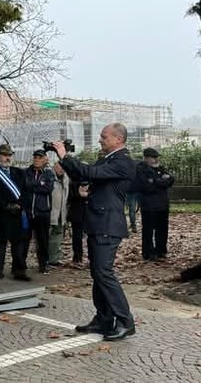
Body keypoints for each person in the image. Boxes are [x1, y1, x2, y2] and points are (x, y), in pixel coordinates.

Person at [53, 122, 137, 341]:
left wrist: (64, 155)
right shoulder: (109, 160)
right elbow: (86, 176)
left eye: (104, 136)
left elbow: (89, 172)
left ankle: (125, 321)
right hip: (99, 223)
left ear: (118, 139)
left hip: (108, 225)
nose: (100, 139)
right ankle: (104, 319)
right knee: (98, 273)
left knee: (104, 273)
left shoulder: (123, 162)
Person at [0, 145, 28, 280]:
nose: (7, 158)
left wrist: (19, 205)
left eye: (9, 155)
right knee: (0, 244)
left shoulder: (19, 172)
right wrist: (5, 205)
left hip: (17, 213)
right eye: (4, 155)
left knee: (18, 243)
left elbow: (25, 191)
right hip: (1, 213)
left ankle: (19, 271)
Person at [135, 147, 174, 261]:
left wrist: (156, 181)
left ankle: (161, 251)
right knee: (148, 230)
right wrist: (161, 181)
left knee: (162, 229)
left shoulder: (160, 169)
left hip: (162, 205)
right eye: (153, 157)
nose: (156, 160)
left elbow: (171, 179)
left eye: (157, 157)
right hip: (149, 206)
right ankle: (148, 252)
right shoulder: (141, 169)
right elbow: (147, 186)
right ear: (146, 158)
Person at [21, 149, 54, 274]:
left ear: (45, 159)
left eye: (40, 157)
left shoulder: (48, 173)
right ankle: (21, 263)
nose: (37, 159)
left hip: (42, 212)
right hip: (27, 212)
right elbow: (24, 186)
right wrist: (38, 184)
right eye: (35, 157)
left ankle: (43, 264)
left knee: (43, 240)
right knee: (24, 239)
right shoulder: (25, 172)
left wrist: (33, 185)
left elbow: (48, 188)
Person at [48, 161, 70, 266]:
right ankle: (45, 258)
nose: (61, 170)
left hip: (61, 212)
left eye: (63, 167)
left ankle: (54, 259)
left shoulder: (66, 178)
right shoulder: (49, 177)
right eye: (59, 167)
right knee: (47, 236)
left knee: (58, 236)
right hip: (50, 212)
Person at [68, 177, 89, 264]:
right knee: (77, 236)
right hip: (77, 212)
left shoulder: (91, 183)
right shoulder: (73, 183)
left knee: (90, 237)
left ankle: (91, 258)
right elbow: (69, 196)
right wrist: (79, 194)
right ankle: (77, 257)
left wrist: (86, 195)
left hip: (89, 213)